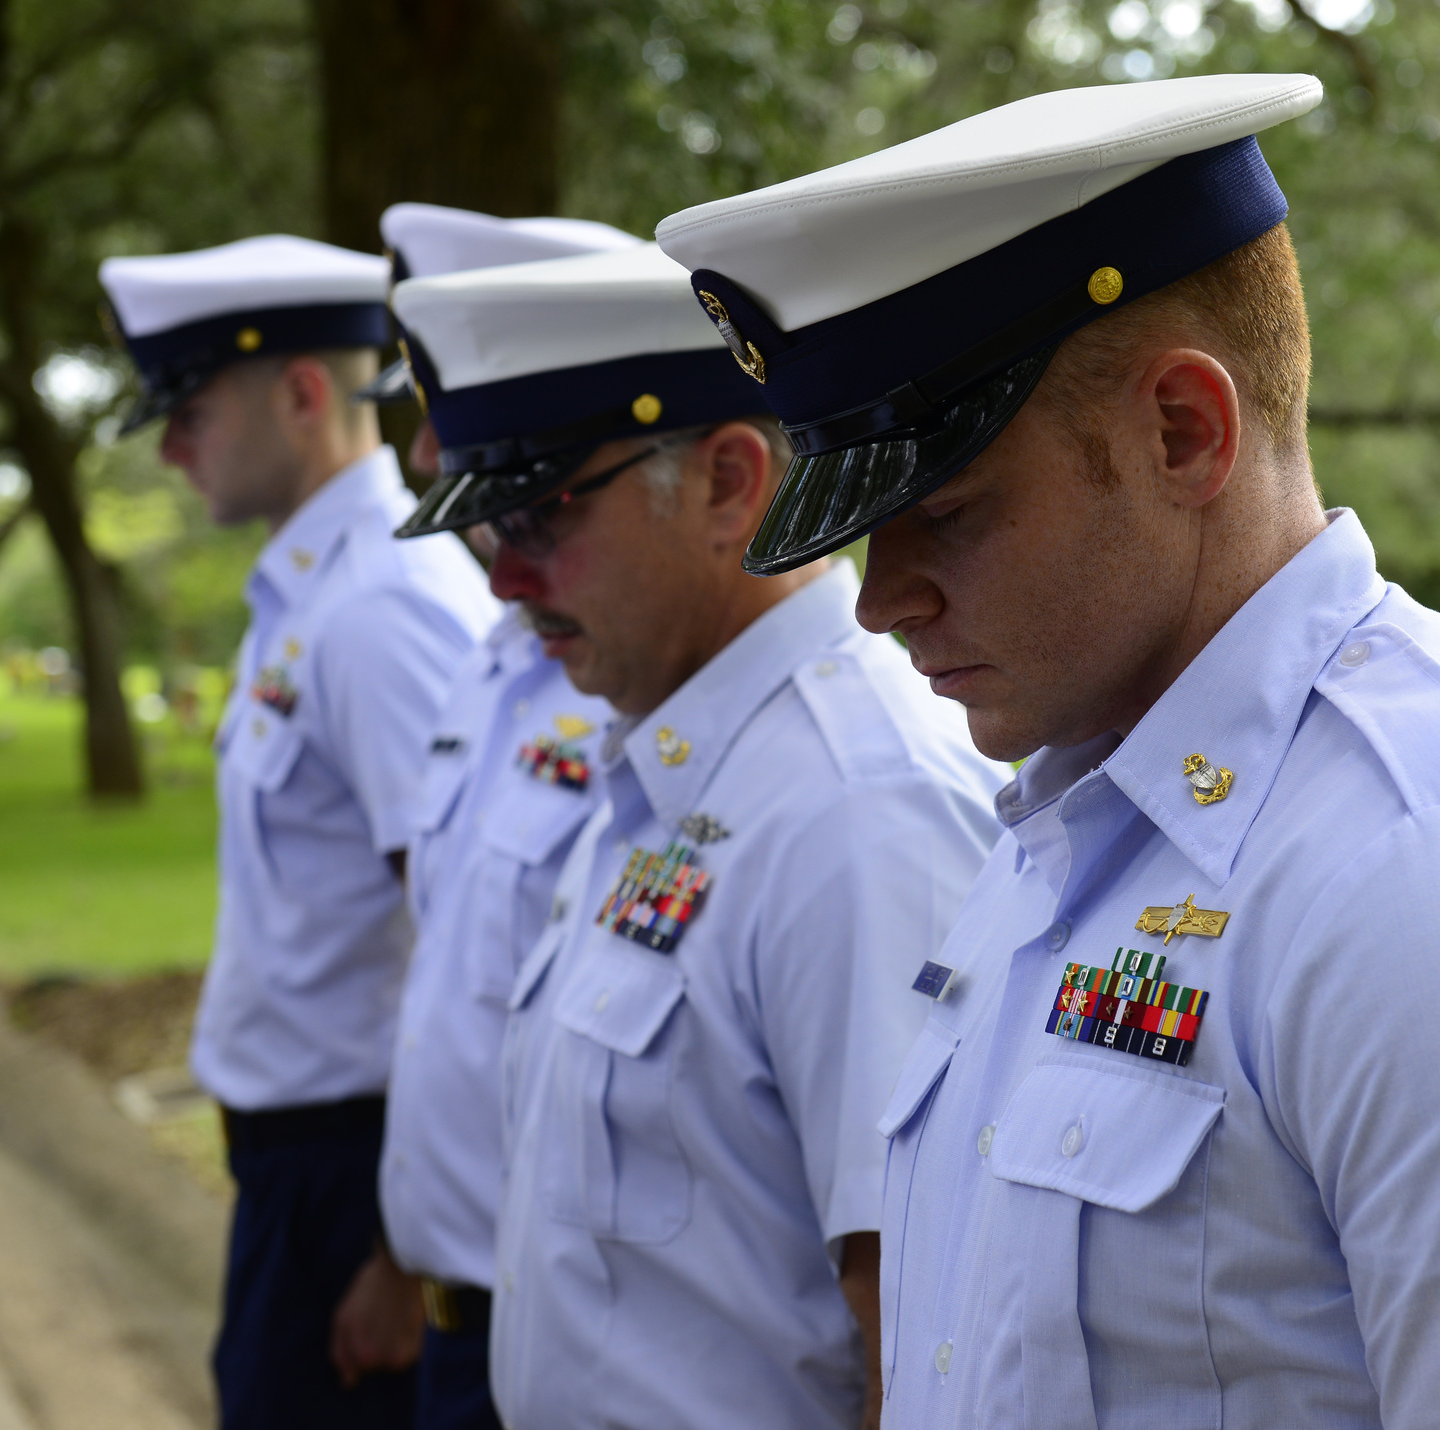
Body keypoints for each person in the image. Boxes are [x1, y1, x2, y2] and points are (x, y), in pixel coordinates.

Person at [656, 73, 1440, 1428]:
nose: (879, 597)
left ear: (1182, 431)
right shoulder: (1084, 811)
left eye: (945, 513)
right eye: (863, 532)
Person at [388, 242, 1011, 1429]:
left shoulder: (856, 808)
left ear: (729, 480)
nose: (503, 580)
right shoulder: (675, 750)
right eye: (487, 529)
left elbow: (914, 1336)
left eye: (534, 513)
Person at [100, 235, 500, 1429]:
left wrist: (398, 1250)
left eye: (190, 412)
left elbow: (466, 943)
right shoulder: (316, 591)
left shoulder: (377, 607)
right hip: (308, 1170)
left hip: (354, 1178)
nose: (170, 448)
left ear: (304, 392)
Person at [354, 206, 636, 1430]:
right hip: (470, 1314)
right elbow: (454, 998)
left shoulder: (625, 669)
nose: (425, 450)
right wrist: (399, 1245)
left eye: (450, 405)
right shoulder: (501, 652)